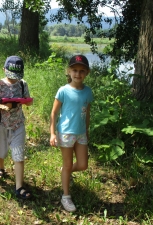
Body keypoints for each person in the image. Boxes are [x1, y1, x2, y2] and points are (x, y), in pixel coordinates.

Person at [49, 55, 93, 212]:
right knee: (67, 163)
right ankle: (65, 196)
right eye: (74, 70)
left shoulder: (88, 92)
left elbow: (87, 113)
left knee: (83, 165)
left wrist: (86, 131)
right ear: (69, 71)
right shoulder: (63, 91)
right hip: (66, 133)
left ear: (86, 73)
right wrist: (52, 134)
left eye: (82, 71)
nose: (78, 74)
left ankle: (65, 173)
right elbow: (54, 113)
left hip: (81, 134)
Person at [0, 56, 33, 199]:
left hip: (18, 125)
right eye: (11, 76)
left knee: (19, 155)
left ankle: (19, 186)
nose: (13, 79)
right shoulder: (0, 85)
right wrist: (3, 105)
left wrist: (20, 102)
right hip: (2, 124)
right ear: (4, 70)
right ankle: (0, 167)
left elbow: (28, 101)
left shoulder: (22, 84)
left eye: (16, 77)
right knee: (0, 149)